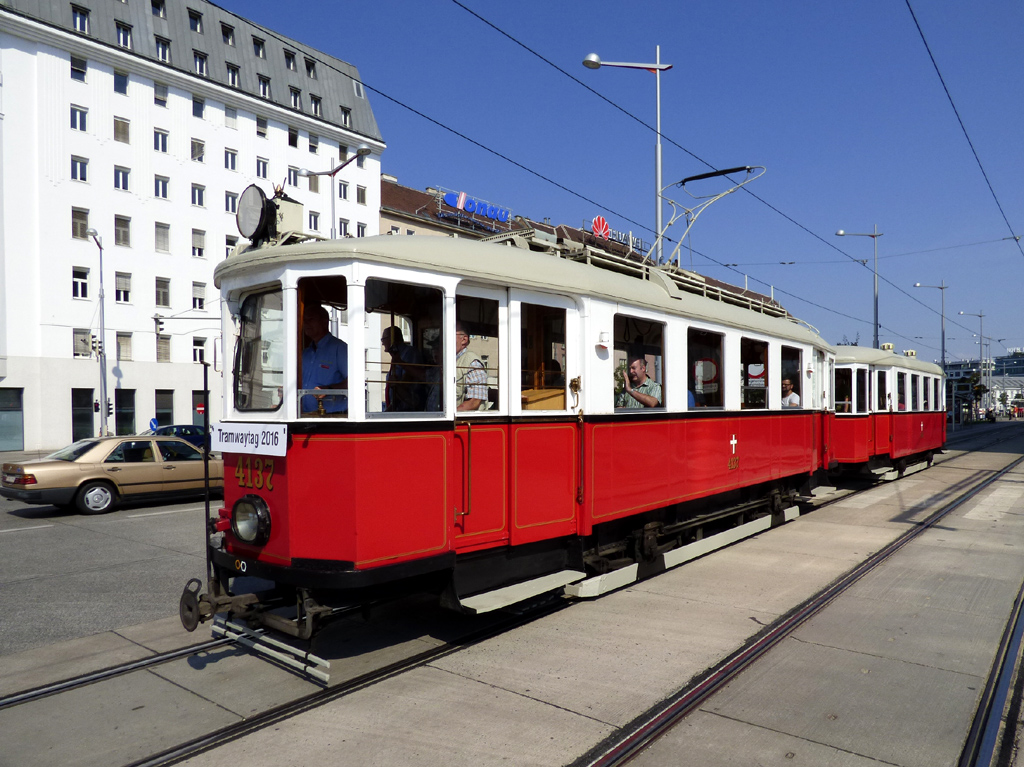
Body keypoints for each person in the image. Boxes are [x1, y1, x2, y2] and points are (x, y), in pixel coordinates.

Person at [301, 304, 347, 414]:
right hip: (305, 416)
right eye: (304, 320)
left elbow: (354, 381)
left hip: (333, 418)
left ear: (324, 322)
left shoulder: (339, 348)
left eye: (311, 319)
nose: (306, 323)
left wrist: (329, 389)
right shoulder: (305, 353)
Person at [381, 326, 427, 411]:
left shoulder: (410, 353)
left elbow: (407, 383)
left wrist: (391, 408)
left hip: (408, 409)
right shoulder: (396, 355)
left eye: (383, 339)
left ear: (392, 339)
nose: (382, 343)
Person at [455, 322, 488, 411]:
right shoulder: (451, 361)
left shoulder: (472, 363)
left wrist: (449, 416)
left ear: (464, 339)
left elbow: (474, 402)